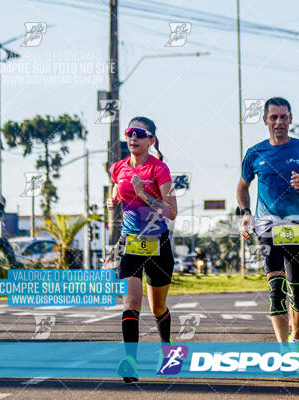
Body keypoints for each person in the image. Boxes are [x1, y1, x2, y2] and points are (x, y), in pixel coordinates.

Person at [237, 97, 299, 343]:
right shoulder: (255, 153)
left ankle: (296, 338)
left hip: (296, 227)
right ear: (266, 120)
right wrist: (246, 213)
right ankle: (283, 348)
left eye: (283, 117)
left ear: (290, 119)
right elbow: (243, 187)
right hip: (266, 226)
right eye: (274, 117)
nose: (278, 122)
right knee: (276, 291)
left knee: (297, 293)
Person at [107, 116, 178, 383]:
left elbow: (172, 212)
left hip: (157, 242)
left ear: (151, 140)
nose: (132, 138)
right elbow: (117, 187)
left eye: (139, 133)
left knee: (157, 306)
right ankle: (130, 362)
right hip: (130, 242)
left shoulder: (161, 170)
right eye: (129, 133)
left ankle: (167, 347)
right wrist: (112, 200)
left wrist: (144, 194)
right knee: (131, 302)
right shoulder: (118, 167)